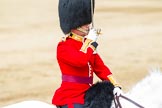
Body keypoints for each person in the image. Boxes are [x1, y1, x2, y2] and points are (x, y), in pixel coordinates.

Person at [52, 0, 122, 108]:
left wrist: (115, 85)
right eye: (85, 23)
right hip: (71, 96)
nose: (88, 25)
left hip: (88, 93)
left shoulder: (86, 44)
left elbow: (100, 68)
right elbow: (80, 61)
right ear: (76, 25)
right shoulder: (64, 46)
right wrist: (90, 42)